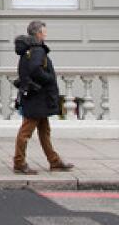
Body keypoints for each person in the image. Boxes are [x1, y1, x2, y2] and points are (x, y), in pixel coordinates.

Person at [13, 20, 74, 175]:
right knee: (26, 131)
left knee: (44, 130)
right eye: (44, 31)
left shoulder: (29, 49)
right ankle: (19, 163)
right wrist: (49, 78)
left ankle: (54, 161)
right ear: (39, 33)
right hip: (38, 97)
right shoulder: (38, 50)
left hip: (34, 96)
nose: (46, 34)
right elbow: (35, 69)